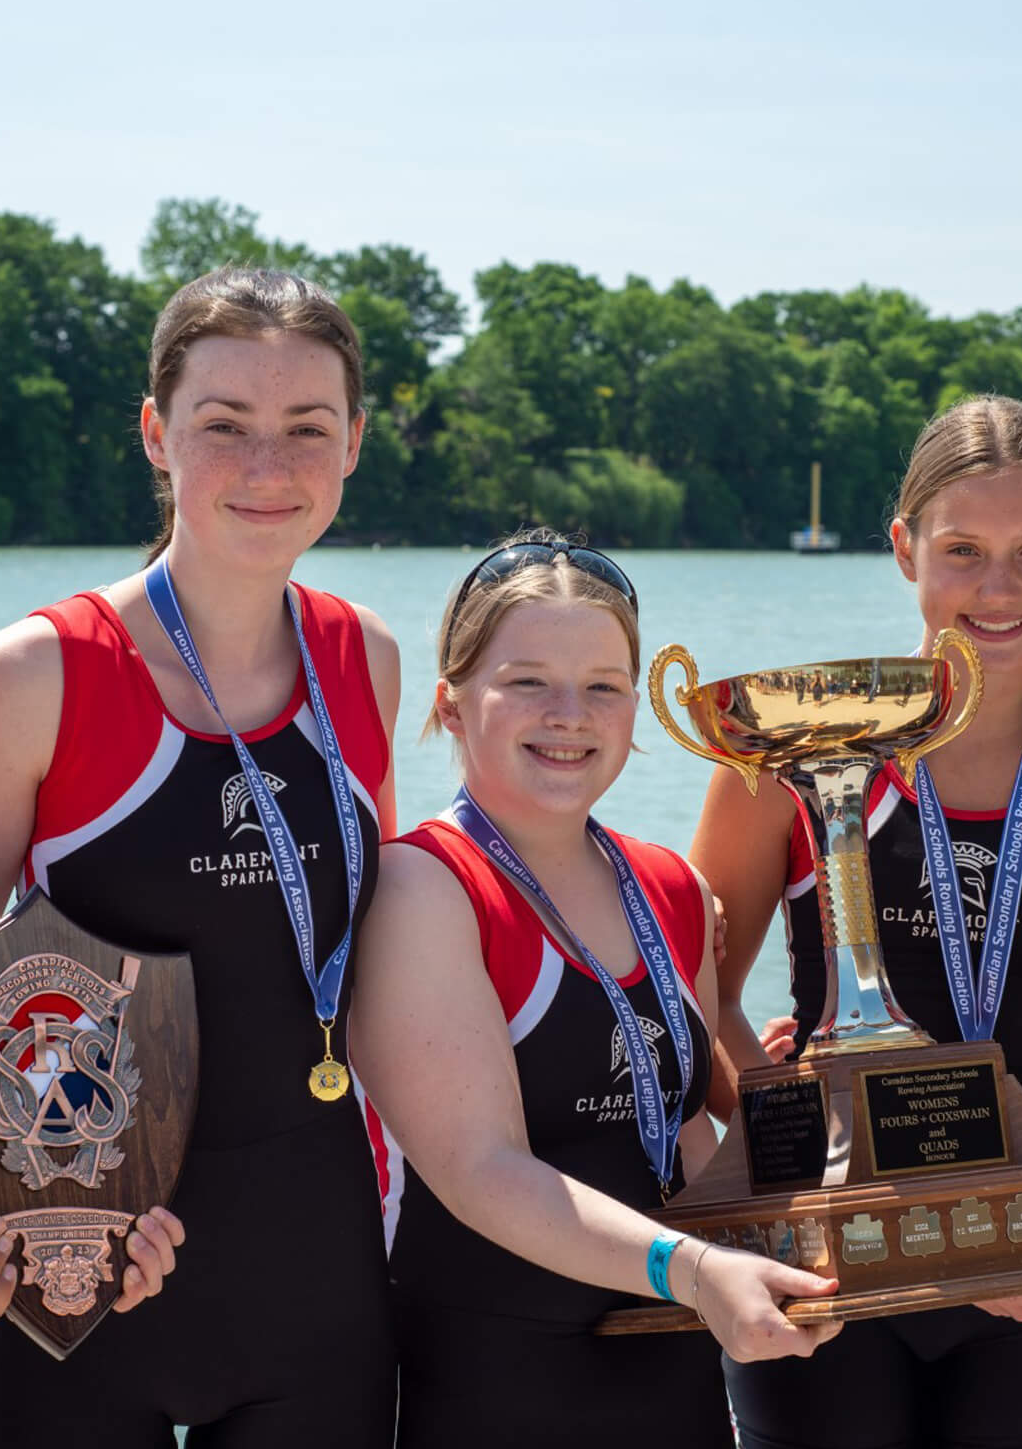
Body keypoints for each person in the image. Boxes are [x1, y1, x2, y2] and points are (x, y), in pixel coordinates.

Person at [0, 268, 398, 1448]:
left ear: (355, 445)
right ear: (154, 433)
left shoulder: (365, 659)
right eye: (222, 426)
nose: (266, 468)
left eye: (306, 430)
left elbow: (368, 956)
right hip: (82, 1273)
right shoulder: (34, 676)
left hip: (322, 1264)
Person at [691, 396, 1022, 1449]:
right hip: (823, 1265)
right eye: (961, 550)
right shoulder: (787, 752)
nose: (998, 588)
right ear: (902, 550)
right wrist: (775, 1116)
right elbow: (691, 998)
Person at [350, 532, 844, 1449]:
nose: (570, 713)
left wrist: (834, 1202)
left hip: (677, 1380)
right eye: (528, 680)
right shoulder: (424, 888)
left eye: (604, 685)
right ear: (451, 707)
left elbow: (685, 1137)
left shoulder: (674, 890)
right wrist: (695, 1271)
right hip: (487, 1388)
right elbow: (479, 1169)